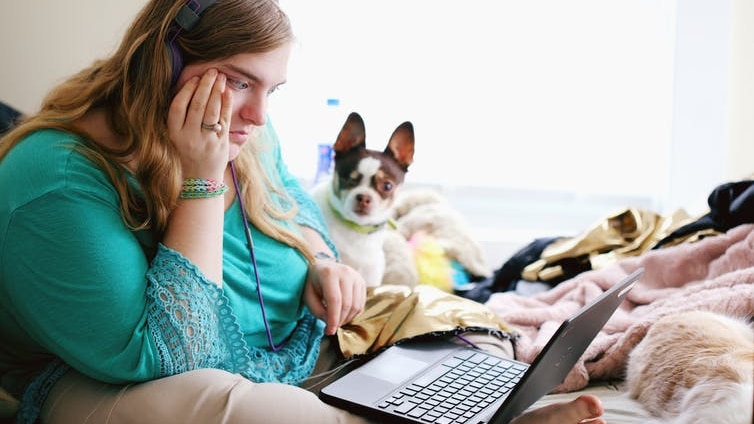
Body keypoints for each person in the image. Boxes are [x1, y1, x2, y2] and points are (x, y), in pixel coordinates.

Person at [0, 1, 606, 423]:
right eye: (239, 81)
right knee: (247, 411)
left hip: (298, 344)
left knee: (455, 324)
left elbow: (297, 209)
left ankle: (466, 411)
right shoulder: (54, 179)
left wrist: (322, 261)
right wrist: (203, 180)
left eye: (273, 90)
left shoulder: (245, 126)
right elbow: (173, 354)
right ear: (166, 63)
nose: (260, 116)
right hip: (127, 383)